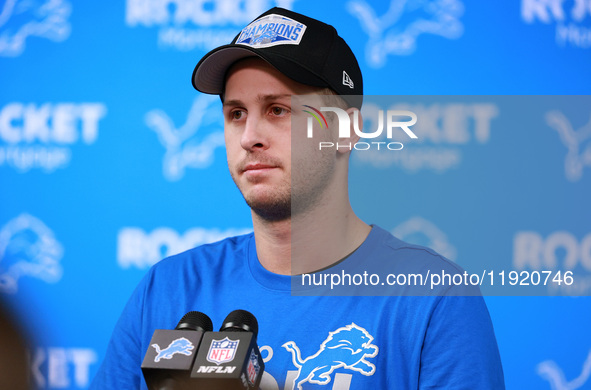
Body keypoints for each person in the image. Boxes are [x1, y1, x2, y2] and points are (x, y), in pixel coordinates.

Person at [90, 7, 505, 389]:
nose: (250, 136)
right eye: (236, 114)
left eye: (277, 110)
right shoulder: (169, 289)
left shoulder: (432, 299)